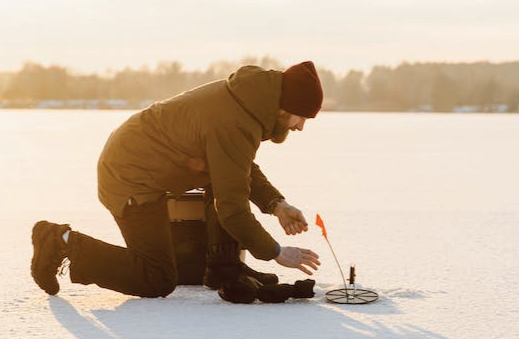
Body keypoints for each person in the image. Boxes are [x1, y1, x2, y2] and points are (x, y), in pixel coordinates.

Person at [30, 61, 323, 299]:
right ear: (285, 107)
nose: (300, 128)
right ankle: (60, 241)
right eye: (302, 118)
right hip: (130, 176)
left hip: (143, 162)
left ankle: (224, 267)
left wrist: (277, 204)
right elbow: (233, 208)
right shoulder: (234, 121)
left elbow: (235, 167)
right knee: (155, 278)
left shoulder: (247, 103)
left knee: (222, 182)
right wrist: (276, 252)